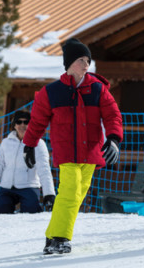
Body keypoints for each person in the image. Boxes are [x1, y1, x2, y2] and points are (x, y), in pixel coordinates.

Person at [22, 38, 123, 254]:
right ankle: (60, 238)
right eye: (81, 59)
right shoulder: (51, 92)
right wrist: (29, 145)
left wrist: (114, 139)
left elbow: (113, 115)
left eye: (88, 60)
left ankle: (51, 236)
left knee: (77, 196)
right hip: (67, 153)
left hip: (92, 153)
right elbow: (37, 122)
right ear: (69, 63)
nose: (86, 64)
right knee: (69, 192)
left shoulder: (98, 89)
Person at [0, 109, 56, 214]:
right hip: (7, 188)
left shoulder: (38, 144)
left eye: (26, 122)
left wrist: (49, 194)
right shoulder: (6, 143)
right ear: (14, 125)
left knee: (31, 213)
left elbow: (44, 170)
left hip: (29, 187)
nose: (22, 125)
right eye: (19, 122)